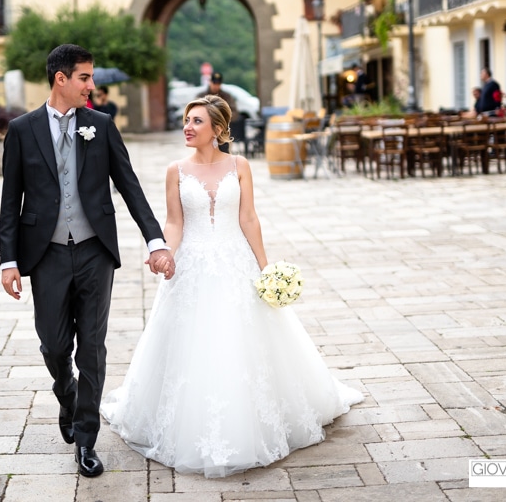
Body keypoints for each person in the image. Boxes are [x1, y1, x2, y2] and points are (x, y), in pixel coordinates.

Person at [100, 95, 363, 478]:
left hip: (235, 262)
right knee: (192, 342)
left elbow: (248, 218)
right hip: (192, 266)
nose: (187, 127)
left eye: (196, 121)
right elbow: (174, 222)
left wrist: (265, 268)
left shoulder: (240, 166)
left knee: (245, 339)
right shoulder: (176, 170)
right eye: (187, 120)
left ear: (219, 129)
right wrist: (165, 253)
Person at [0, 43, 176, 479]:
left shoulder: (101, 125)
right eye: (84, 77)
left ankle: (86, 440)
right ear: (61, 79)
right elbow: (9, 201)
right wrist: (8, 261)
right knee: (54, 345)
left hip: (95, 250)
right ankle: (67, 394)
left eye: (91, 78)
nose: (91, 86)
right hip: (46, 254)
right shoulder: (22, 130)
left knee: (92, 348)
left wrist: (155, 240)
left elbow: (130, 186)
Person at [198, 72, 239, 153]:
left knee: (224, 155)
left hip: (222, 133)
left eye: (218, 84)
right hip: (205, 132)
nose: (216, 86)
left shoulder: (227, 97)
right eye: (214, 83)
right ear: (210, 82)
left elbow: (235, 113)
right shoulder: (202, 96)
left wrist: (223, 119)